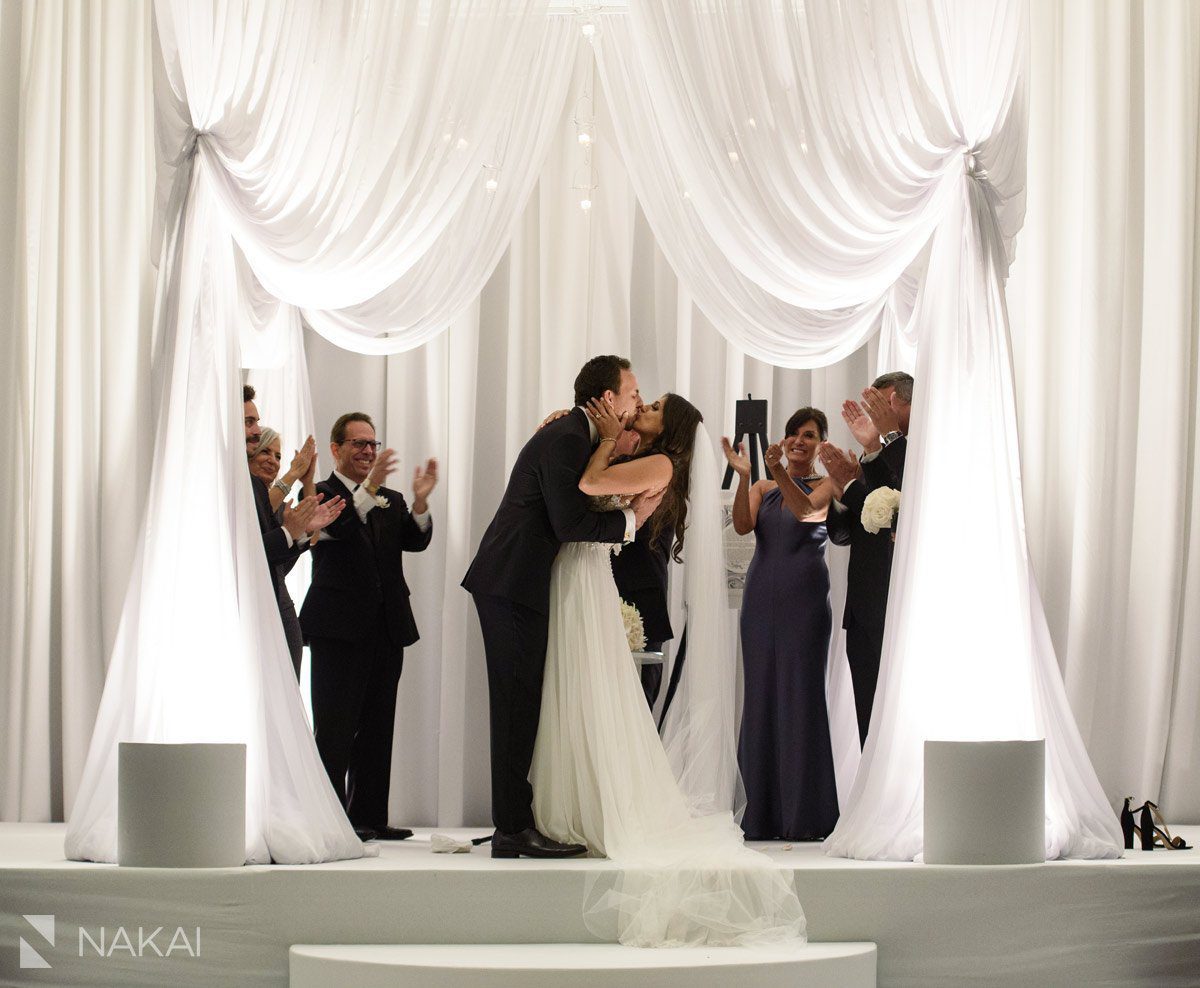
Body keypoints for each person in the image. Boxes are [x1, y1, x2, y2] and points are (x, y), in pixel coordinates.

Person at [529, 392, 805, 947]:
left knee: (623, 706)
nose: (642, 408)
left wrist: (600, 439)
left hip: (626, 591)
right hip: (606, 584)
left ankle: (609, 800)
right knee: (616, 706)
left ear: (670, 426)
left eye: (652, 406)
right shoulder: (649, 459)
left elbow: (587, 485)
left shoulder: (655, 464)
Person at [463, 355, 658, 860]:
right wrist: (631, 524)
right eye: (633, 393)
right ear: (608, 398)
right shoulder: (570, 437)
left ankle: (515, 823)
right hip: (511, 583)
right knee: (514, 705)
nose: (637, 403)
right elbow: (570, 522)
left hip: (519, 583)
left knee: (522, 703)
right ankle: (511, 829)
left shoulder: (577, 434)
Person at [299, 412, 437, 841]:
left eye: (373, 444)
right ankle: (331, 820)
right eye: (358, 443)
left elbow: (415, 541)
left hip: (386, 626)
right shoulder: (319, 493)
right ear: (336, 449)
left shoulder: (390, 499)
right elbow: (338, 527)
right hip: (338, 628)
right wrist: (370, 486)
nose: (367, 451)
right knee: (336, 726)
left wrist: (418, 503)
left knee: (379, 726)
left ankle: (370, 817)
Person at [722, 408, 838, 841]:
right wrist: (744, 476)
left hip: (805, 606)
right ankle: (762, 814)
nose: (798, 441)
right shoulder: (763, 486)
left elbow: (807, 513)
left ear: (821, 445)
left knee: (800, 699)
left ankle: (806, 815)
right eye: (794, 433)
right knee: (761, 697)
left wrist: (778, 471)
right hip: (760, 605)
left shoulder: (827, 484)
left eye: (809, 435)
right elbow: (741, 524)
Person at [820, 371, 913, 746]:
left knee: (899, 728)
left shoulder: (919, 449)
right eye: (873, 406)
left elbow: (904, 503)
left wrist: (885, 442)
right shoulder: (875, 455)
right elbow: (845, 534)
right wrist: (843, 488)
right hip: (863, 613)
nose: (876, 414)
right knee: (869, 728)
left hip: (900, 609)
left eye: (885, 405)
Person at [246, 428, 344, 678]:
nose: (273, 460)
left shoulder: (281, 506)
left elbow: (308, 538)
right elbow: (257, 536)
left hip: (280, 601)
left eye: (278, 456)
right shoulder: (248, 494)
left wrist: (308, 481)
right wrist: (292, 473)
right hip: (250, 604)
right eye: (265, 452)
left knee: (289, 681)